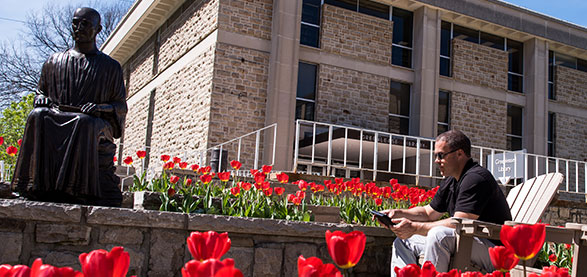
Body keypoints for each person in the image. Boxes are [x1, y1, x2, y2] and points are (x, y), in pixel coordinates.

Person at [11, 7, 127, 207]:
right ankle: (31, 186)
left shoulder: (110, 67)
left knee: (84, 123)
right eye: (75, 23)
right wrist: (41, 99)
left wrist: (100, 108)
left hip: (94, 121)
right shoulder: (53, 61)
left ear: (98, 29)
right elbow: (41, 92)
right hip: (57, 113)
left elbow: (120, 106)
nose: (79, 28)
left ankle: (78, 191)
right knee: (37, 115)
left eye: (85, 24)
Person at [379, 130, 511, 275]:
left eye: (441, 155)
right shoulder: (451, 180)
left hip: (494, 251)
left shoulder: (476, 178)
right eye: (435, 155)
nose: (436, 160)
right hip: (467, 242)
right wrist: (396, 213)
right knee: (404, 242)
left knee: (438, 235)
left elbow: (459, 222)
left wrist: (415, 227)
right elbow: (428, 213)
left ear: (459, 154)